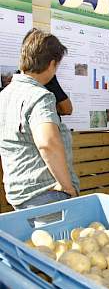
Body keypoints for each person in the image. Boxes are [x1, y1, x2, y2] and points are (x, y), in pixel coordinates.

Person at [0, 29, 79, 211]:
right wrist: (67, 187)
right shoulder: (40, 97)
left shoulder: (4, 95)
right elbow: (48, 143)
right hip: (47, 194)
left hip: (19, 193)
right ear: (52, 64)